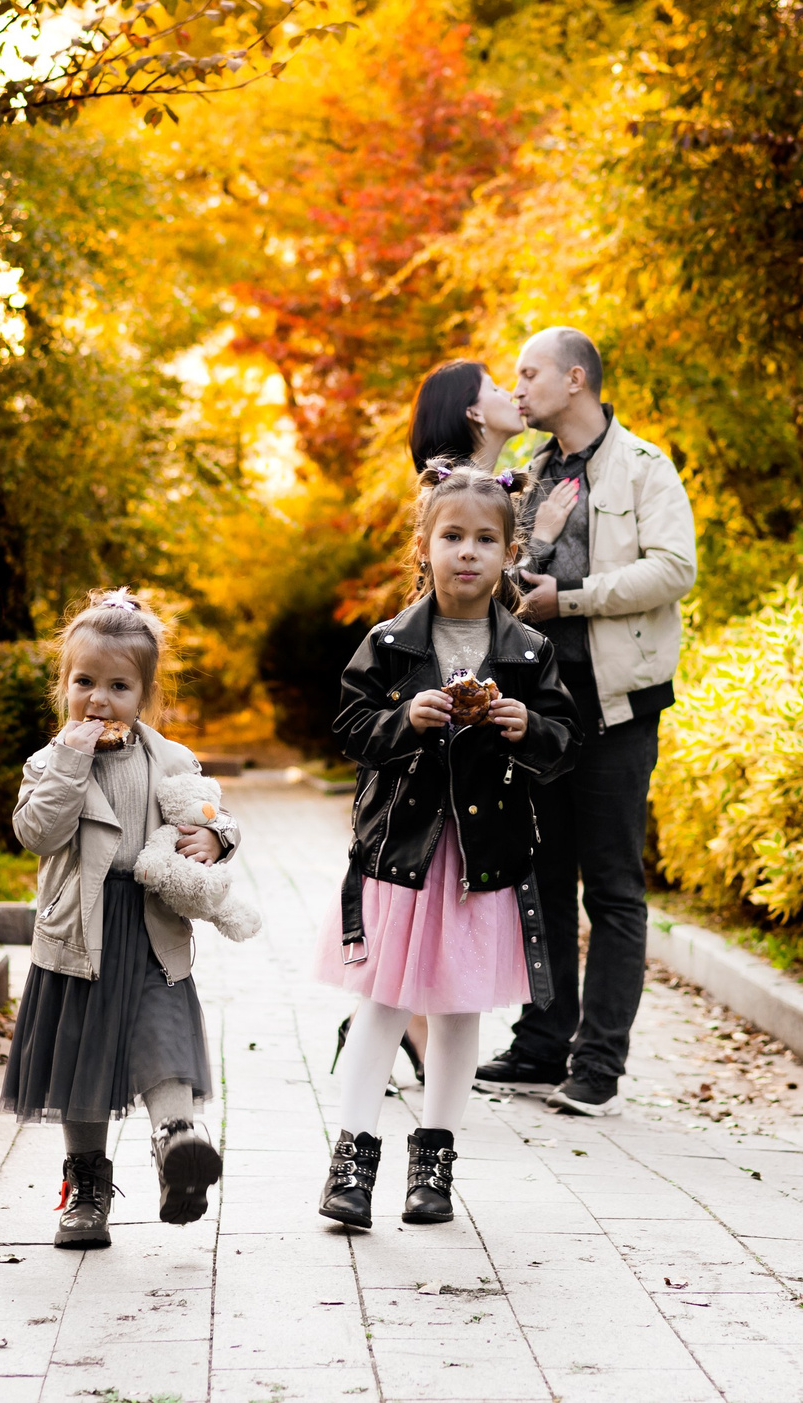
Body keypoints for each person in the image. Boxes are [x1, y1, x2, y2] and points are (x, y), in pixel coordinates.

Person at [313, 464, 579, 1228]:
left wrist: (531, 728)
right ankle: (353, 1163)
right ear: (424, 544)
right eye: (452, 536)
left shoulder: (528, 652)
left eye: (485, 539)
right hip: (403, 855)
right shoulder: (391, 644)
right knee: (384, 1003)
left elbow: (563, 742)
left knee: (461, 1009)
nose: (467, 552)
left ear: (509, 551)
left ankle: (433, 1161)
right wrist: (406, 722)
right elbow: (349, 729)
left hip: (480, 860)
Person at [477, 326, 698, 1117]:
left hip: (615, 708)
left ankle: (598, 1065)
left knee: (610, 887)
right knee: (540, 880)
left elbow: (675, 569)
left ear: (576, 379)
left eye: (529, 372)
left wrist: (568, 598)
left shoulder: (644, 467)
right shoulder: (528, 475)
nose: (519, 383)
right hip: (536, 712)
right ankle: (541, 1043)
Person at [3, 591, 232, 1248]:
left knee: (163, 1041)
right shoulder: (50, 763)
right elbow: (36, 832)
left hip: (153, 928)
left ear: (145, 694)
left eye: (119, 685)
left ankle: (177, 1147)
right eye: (84, 682)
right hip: (82, 932)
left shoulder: (171, 759)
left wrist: (217, 841)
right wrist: (72, 761)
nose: (98, 698)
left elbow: (211, 815)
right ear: (64, 685)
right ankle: (86, 1188)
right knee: (84, 1060)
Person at [408, 357, 528, 472]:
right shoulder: (466, 490)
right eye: (494, 389)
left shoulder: (463, 487)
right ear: (474, 413)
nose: (510, 395)